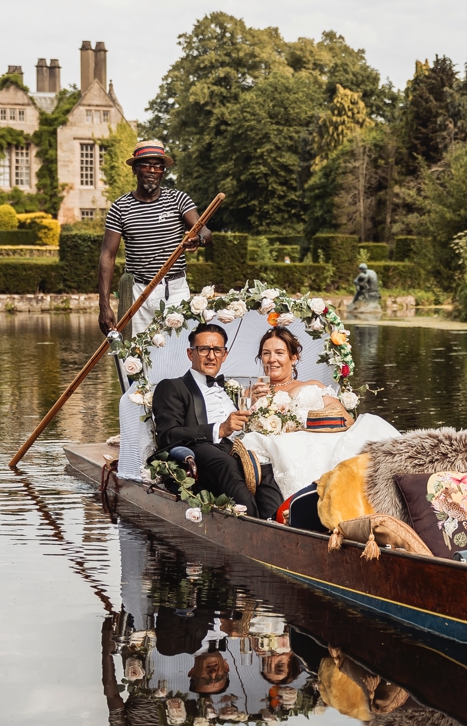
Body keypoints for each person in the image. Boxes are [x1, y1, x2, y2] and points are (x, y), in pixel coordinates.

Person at [238, 326, 401, 497]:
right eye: (266, 353)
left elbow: (344, 418)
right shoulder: (251, 392)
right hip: (284, 449)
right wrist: (255, 403)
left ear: (293, 357)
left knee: (371, 427)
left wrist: (305, 418)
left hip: (321, 442)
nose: (272, 359)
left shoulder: (312, 385)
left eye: (279, 353)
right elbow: (243, 428)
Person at [150, 323, 283, 518]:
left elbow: (240, 424)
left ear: (224, 354)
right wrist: (219, 430)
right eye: (204, 349)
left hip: (238, 447)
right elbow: (167, 436)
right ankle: (254, 526)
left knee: (264, 461)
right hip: (201, 449)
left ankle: (276, 522)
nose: (211, 356)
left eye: (217, 350)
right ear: (190, 353)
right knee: (225, 463)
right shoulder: (172, 387)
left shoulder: (228, 389)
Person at [98, 139, 212, 336]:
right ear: (135, 169)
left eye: (158, 167)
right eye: (146, 165)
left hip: (174, 291)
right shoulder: (120, 208)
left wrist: (199, 240)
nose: (152, 171)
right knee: (137, 359)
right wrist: (104, 305)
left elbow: (204, 231)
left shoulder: (178, 200)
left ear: (163, 172)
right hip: (138, 293)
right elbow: (107, 256)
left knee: (177, 353)